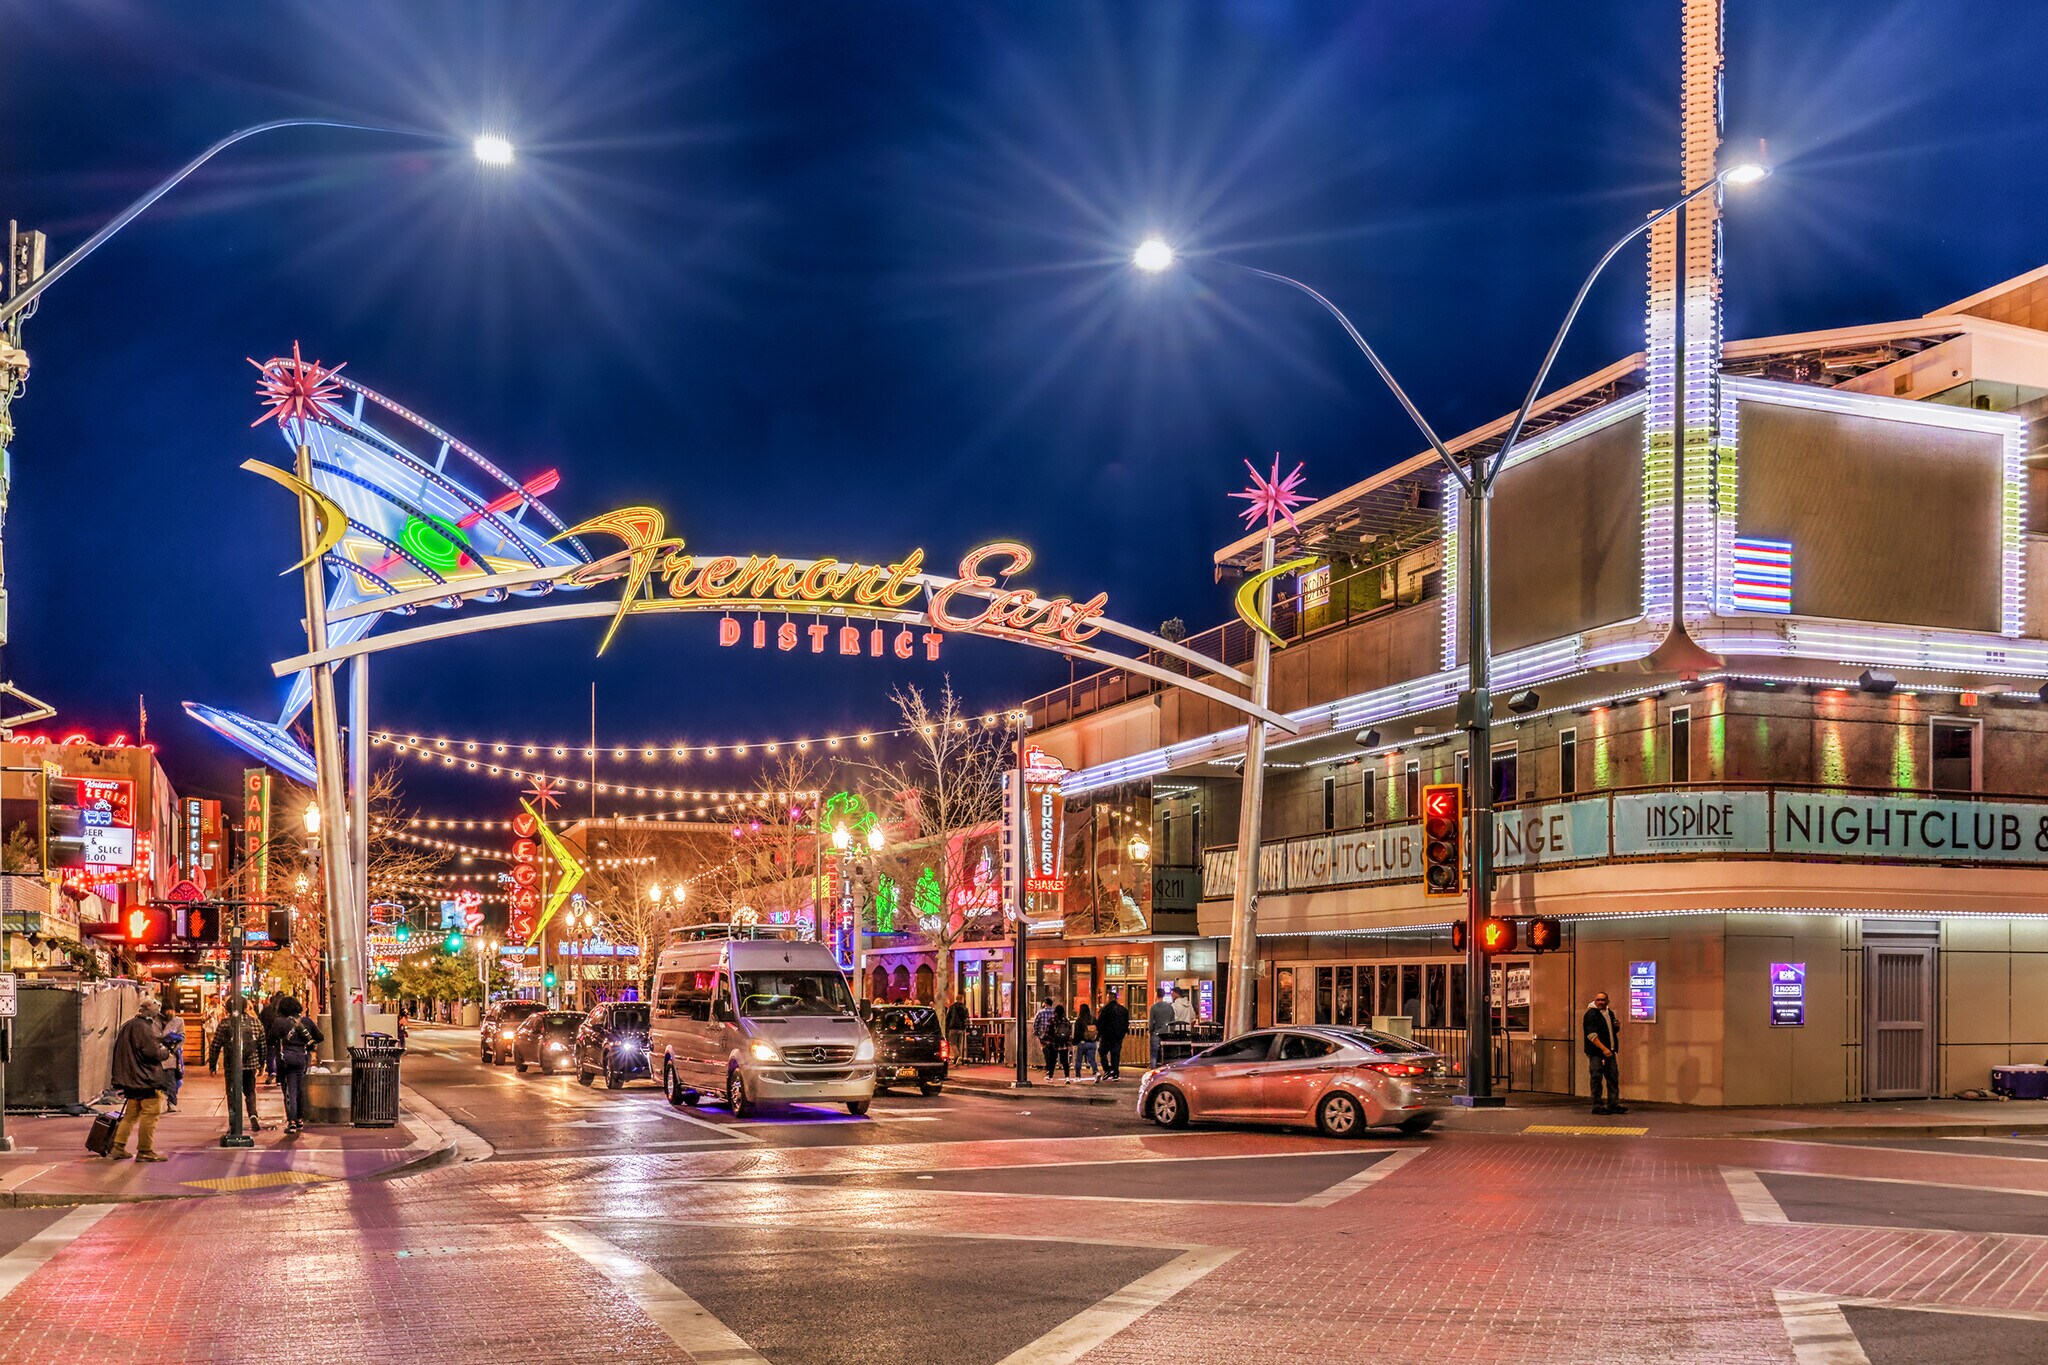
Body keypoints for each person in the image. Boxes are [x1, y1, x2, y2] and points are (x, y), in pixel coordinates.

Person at [107, 996, 171, 1162]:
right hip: (147, 1079)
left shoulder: (128, 1025)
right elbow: (151, 1052)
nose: (159, 1009)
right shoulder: (144, 1027)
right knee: (151, 1115)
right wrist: (165, 1051)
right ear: (148, 1008)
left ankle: (118, 1148)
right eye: (157, 1006)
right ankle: (145, 1150)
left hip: (132, 1080)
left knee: (130, 1115)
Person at [207, 996, 267, 1133]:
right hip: (250, 1064)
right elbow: (262, 1045)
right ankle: (252, 1114)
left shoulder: (225, 1024)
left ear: (227, 1008)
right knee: (250, 1091)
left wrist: (213, 1065)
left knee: (232, 1093)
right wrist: (261, 1064)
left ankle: (233, 1122)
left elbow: (215, 1045)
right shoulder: (256, 1023)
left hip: (232, 1064)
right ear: (246, 1007)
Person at [273, 997, 324, 1134]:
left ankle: (292, 1121)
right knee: (300, 1089)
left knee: (289, 1090)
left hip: (286, 1059)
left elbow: (270, 1039)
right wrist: (306, 1043)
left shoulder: (279, 1022)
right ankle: (300, 1119)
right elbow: (320, 1037)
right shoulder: (306, 1021)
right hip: (302, 1057)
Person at [1583, 990, 1627, 1115]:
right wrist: (1604, 1048)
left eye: (1603, 1000)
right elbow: (1591, 1035)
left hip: (1610, 1051)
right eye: (1599, 1000)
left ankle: (1613, 1104)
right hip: (1597, 1052)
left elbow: (1609, 1032)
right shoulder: (1591, 1014)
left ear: (1607, 1001)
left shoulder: (1609, 1013)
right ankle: (1597, 1105)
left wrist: (1616, 1027)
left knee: (1613, 1077)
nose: (1601, 1002)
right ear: (1595, 1001)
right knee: (1596, 1078)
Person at [1096, 987, 1129, 1082]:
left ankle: (1107, 1069)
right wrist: (1122, 1033)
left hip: (1106, 1036)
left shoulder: (1105, 1010)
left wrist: (1100, 1034)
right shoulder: (1123, 1010)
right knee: (1115, 1054)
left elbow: (1100, 1023)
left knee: (1102, 1052)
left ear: (1109, 998)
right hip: (1118, 1036)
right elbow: (1126, 1023)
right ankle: (1115, 1072)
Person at [159, 1007, 187, 1113]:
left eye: (171, 1010)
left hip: (171, 1056)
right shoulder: (156, 1021)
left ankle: (172, 1103)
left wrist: (173, 1049)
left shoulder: (178, 1021)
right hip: (157, 1055)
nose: (169, 1012)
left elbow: (182, 1036)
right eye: (167, 1009)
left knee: (171, 1080)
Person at [1148, 986, 1177, 1068]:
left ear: (1156, 995)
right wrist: (1171, 1031)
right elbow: (1173, 1021)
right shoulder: (1170, 1007)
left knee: (1154, 1054)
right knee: (1166, 1054)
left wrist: (1151, 1030)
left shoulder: (1153, 1007)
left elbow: (1151, 1022)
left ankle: (1153, 1071)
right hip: (1167, 1033)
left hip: (1156, 1033)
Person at [259, 994, 283, 1083]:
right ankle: (279, 1077)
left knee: (270, 1054)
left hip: (268, 1035)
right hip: (281, 1037)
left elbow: (261, 1021)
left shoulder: (266, 1010)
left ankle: (272, 1070)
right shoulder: (283, 1010)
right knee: (279, 1055)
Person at [1072, 1001, 1098, 1079]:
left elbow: (1077, 1033)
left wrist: (1074, 1041)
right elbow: (1098, 1029)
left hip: (1082, 1043)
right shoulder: (1093, 1019)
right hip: (1092, 1042)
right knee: (1092, 1060)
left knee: (1078, 1060)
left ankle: (1078, 1076)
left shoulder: (1079, 1020)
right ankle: (1096, 1072)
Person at [1046, 1004, 1072, 1078]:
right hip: (1064, 1044)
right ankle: (1067, 1077)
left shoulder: (1052, 1020)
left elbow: (1048, 1032)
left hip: (1054, 1043)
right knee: (1065, 1061)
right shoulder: (1066, 1021)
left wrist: (1048, 1041)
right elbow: (1069, 1032)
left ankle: (1050, 1076)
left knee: (1052, 1060)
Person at [1032, 997, 1056, 1073]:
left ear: (1045, 1003)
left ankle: (1048, 1066)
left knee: (1045, 1050)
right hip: (1053, 1035)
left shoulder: (1040, 1012)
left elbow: (1035, 1023)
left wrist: (1036, 1032)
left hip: (1043, 1035)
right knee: (1052, 1050)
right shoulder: (1055, 1012)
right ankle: (1051, 1065)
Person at [944, 995, 970, 1063]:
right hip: (961, 1028)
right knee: (959, 1043)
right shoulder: (965, 1008)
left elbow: (948, 1018)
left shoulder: (952, 1007)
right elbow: (966, 1018)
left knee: (952, 1043)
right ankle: (957, 1059)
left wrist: (947, 1027)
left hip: (953, 1028)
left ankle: (957, 1055)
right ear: (962, 999)